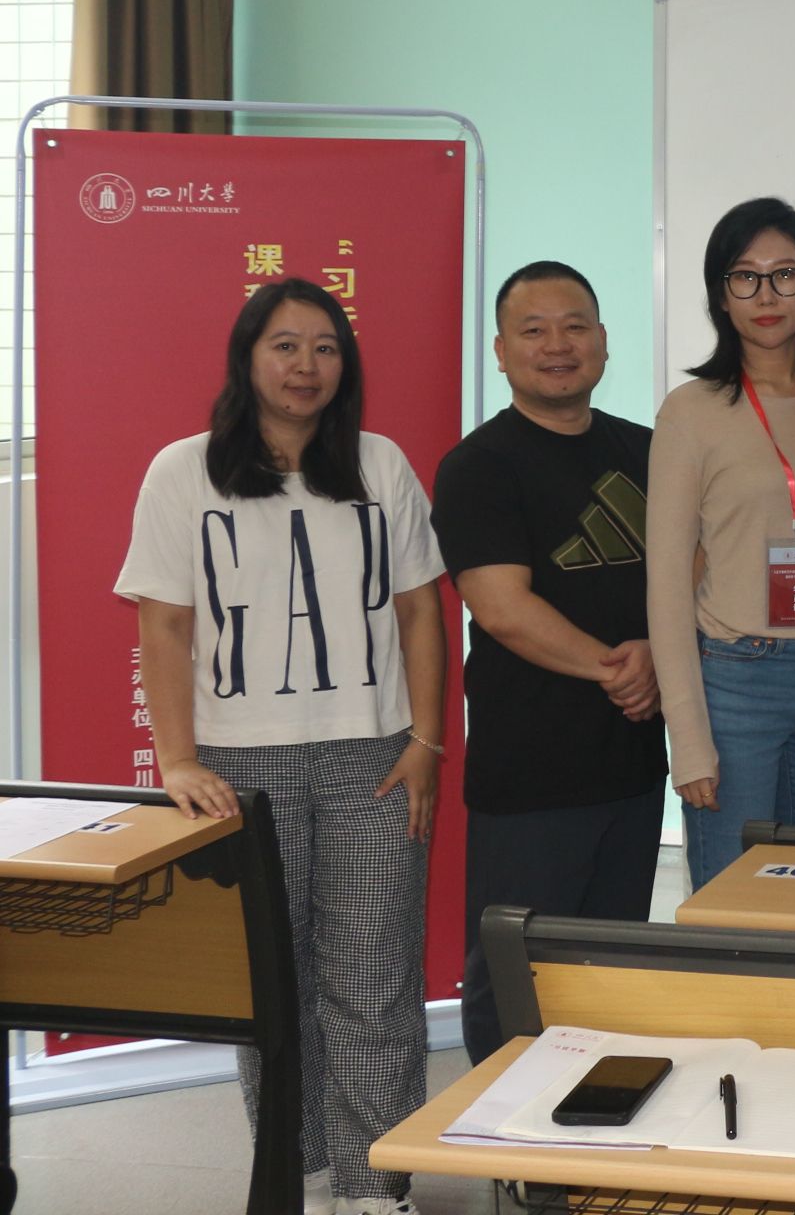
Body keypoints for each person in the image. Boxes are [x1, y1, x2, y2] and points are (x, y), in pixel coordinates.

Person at [117, 279, 448, 1215]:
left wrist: (427, 740)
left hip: (373, 757)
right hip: (240, 768)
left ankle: (375, 1184)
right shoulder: (183, 472)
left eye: (326, 348)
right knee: (272, 986)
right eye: (286, 346)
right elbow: (164, 626)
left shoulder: (380, 464)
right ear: (248, 358)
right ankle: (296, 1173)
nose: (307, 366)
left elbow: (422, 611)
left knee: (376, 978)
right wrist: (180, 760)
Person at [432, 260, 663, 1067]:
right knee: (515, 974)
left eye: (575, 327)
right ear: (501, 352)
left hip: (633, 768)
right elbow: (502, 608)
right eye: (534, 330)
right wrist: (622, 669)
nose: (557, 345)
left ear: (603, 341)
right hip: (530, 777)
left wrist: (658, 653)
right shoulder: (479, 465)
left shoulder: (649, 451)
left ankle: (595, 1126)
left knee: (614, 973)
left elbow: (692, 575)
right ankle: (502, 1134)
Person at [648, 198, 795, 889]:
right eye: (745, 277)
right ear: (721, 294)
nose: (766, 295)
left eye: (785, 275)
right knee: (734, 896)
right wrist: (689, 739)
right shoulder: (691, 411)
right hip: (736, 678)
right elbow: (666, 582)